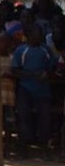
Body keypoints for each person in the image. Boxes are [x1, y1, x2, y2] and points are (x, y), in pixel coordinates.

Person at [11, 25, 55, 157]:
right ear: (29, 35)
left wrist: (46, 73)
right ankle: (23, 148)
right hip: (25, 89)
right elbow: (15, 70)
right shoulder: (21, 50)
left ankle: (45, 148)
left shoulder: (45, 50)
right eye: (36, 33)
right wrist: (33, 75)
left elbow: (52, 67)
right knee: (24, 117)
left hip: (42, 90)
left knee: (45, 119)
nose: (38, 36)